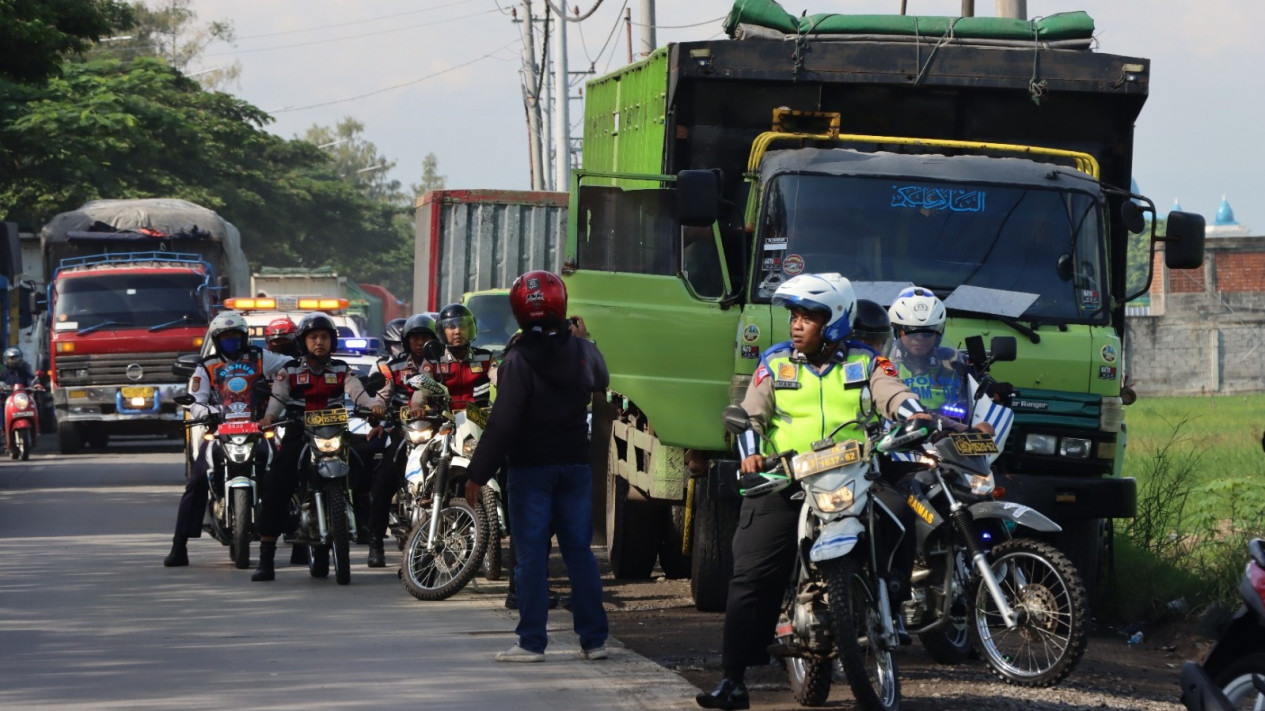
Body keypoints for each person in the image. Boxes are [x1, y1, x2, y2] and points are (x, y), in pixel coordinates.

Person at [697, 273, 927, 711]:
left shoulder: (866, 362)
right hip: (787, 477)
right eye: (794, 316)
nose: (796, 325)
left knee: (899, 509)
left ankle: (891, 597)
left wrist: (915, 416)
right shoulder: (775, 363)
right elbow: (751, 416)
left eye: (809, 317)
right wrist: (749, 455)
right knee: (751, 573)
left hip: (854, 473)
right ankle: (733, 679)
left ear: (836, 320)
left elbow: (894, 393)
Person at [463, 270, 609, 663]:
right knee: (580, 553)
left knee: (529, 557)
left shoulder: (517, 357)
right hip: (574, 467)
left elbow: (504, 422)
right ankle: (594, 641)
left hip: (531, 472)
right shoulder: (583, 350)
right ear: (561, 304)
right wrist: (580, 341)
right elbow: (602, 379)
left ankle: (531, 642)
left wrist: (477, 473)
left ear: (518, 311)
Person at [251, 313, 386, 582]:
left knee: (366, 462)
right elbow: (278, 398)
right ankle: (266, 558)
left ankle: (367, 530)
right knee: (277, 481)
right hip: (300, 433)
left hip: (336, 433)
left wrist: (374, 407)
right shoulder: (288, 370)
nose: (319, 342)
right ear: (303, 342)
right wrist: (269, 416)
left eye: (324, 337)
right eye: (313, 337)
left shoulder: (341, 369)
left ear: (332, 341)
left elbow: (358, 393)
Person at [163, 312, 291, 567]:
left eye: (236, 336)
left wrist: (283, 382)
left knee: (283, 474)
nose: (231, 341)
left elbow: (291, 364)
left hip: (258, 429)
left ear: (245, 337)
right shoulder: (206, 366)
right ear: (217, 339)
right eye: (225, 337)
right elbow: (196, 400)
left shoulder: (262, 358)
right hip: (220, 429)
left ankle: (295, 536)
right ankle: (179, 545)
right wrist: (208, 412)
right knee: (198, 478)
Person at [366, 313, 439, 567]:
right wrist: (377, 408)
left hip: (436, 432)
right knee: (383, 481)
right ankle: (375, 542)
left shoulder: (442, 363)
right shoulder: (394, 367)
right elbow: (383, 395)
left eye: (425, 337)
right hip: (403, 433)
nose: (420, 343)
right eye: (415, 338)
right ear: (407, 341)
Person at [428, 303, 492, 412]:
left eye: (462, 326)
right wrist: (416, 404)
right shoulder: (434, 359)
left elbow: (499, 377)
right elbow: (422, 386)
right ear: (442, 332)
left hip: (478, 418)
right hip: (443, 419)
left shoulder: (485, 357)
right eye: (451, 327)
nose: (457, 331)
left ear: (470, 329)